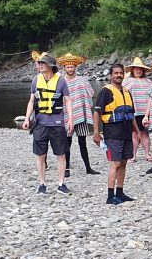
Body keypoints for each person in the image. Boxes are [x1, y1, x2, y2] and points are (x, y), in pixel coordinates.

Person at [22, 52, 73, 195]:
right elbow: (32, 101)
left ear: (50, 66)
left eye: (42, 63)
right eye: (39, 63)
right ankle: (42, 184)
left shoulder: (61, 81)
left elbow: (67, 100)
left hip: (57, 124)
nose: (40, 65)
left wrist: (70, 119)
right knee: (40, 155)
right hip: (40, 124)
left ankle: (61, 184)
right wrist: (27, 118)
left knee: (61, 154)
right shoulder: (35, 81)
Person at [93, 63, 143, 205]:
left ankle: (120, 192)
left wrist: (137, 131)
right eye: (116, 73)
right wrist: (96, 132)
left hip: (126, 132)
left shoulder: (127, 92)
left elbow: (131, 114)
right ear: (111, 75)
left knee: (124, 162)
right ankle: (110, 196)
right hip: (112, 133)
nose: (119, 75)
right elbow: (97, 112)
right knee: (115, 163)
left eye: (121, 73)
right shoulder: (106, 92)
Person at [58, 53, 99, 177]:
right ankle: (66, 169)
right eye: (68, 67)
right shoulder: (61, 81)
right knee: (67, 142)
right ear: (64, 68)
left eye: (72, 67)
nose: (70, 69)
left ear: (75, 67)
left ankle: (88, 168)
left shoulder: (82, 80)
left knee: (83, 142)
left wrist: (84, 97)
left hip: (81, 114)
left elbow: (91, 93)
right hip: (67, 115)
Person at [123, 57, 152, 163]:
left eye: (140, 69)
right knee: (134, 134)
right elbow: (122, 93)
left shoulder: (148, 81)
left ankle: (147, 154)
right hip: (133, 111)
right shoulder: (127, 81)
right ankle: (133, 156)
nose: (138, 71)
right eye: (136, 69)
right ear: (132, 70)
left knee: (145, 133)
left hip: (145, 111)